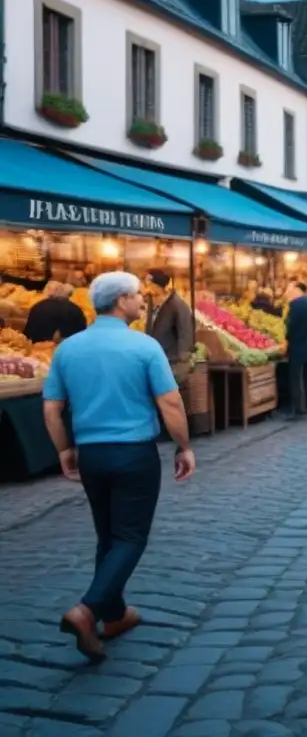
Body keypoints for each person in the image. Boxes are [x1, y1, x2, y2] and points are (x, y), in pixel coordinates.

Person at [41, 271, 195, 662]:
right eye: (138, 296)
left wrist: (64, 450)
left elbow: (52, 408)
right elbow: (171, 403)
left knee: (108, 535)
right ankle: (87, 609)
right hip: (133, 453)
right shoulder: (143, 347)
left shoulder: (68, 349)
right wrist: (184, 446)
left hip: (92, 453)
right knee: (130, 537)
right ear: (121, 299)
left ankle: (113, 615)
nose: (143, 301)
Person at [144, 269, 194, 385]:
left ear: (158, 285)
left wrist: (182, 364)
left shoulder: (178, 306)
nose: (147, 287)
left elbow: (185, 335)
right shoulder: (153, 304)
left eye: (149, 283)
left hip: (172, 364)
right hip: (157, 361)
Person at [284, 281, 307, 419]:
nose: (287, 294)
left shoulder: (295, 305)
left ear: (295, 291)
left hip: (297, 346)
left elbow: (291, 326)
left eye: (289, 291)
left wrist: (288, 339)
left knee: (295, 379)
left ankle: (298, 408)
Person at [23, 281, 87, 344]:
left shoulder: (38, 306)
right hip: (64, 348)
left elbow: (27, 335)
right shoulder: (75, 310)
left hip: (33, 348)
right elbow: (82, 338)